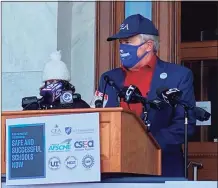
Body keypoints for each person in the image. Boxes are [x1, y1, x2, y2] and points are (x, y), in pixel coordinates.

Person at [97, 14, 196, 177]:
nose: (122, 48)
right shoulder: (109, 78)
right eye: (121, 43)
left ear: (149, 45)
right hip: (115, 171)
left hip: (161, 167)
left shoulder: (178, 75)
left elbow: (184, 125)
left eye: (128, 42)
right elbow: (100, 119)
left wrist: (146, 144)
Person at [23, 51, 90, 110]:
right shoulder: (39, 105)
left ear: (65, 82)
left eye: (57, 81)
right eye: (50, 81)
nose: (53, 84)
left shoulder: (79, 104)